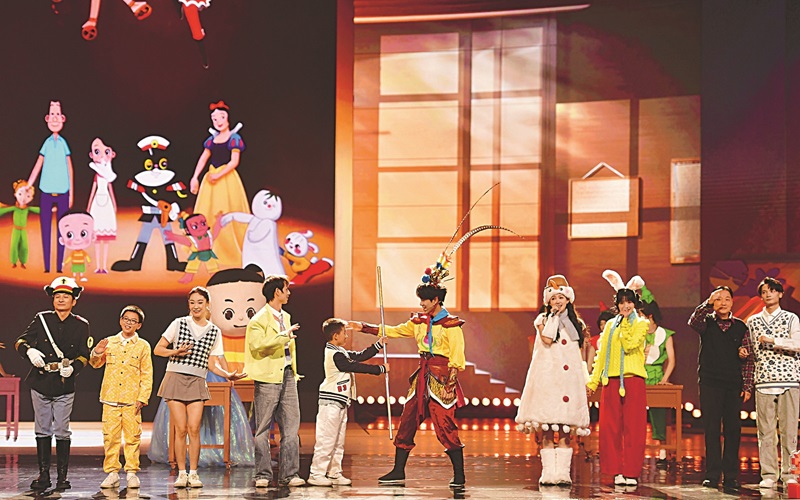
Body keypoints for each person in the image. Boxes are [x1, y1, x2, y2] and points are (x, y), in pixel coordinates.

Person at [349, 281, 467, 488]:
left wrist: (451, 381)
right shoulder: (418, 322)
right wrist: (364, 327)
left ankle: (459, 475)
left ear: (436, 300)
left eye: (424, 300)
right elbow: (394, 331)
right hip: (422, 376)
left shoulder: (451, 325)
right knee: (407, 421)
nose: (421, 304)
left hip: (442, 378)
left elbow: (457, 355)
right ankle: (398, 471)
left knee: (445, 425)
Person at [153, 287, 245, 488]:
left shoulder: (214, 331)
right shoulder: (179, 323)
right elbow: (158, 349)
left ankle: (193, 473)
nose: (196, 306)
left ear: (207, 304)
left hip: (197, 381)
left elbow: (212, 364)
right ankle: (181, 473)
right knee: (180, 429)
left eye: (200, 302)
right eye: (192, 302)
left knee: (194, 429)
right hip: (175, 378)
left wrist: (227, 374)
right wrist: (175, 351)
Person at [14, 277, 91, 491]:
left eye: (66, 296)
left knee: (62, 430)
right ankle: (44, 474)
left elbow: (84, 354)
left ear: (74, 300)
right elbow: (21, 341)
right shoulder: (42, 319)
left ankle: (62, 477)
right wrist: (29, 351)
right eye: (57, 296)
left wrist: (74, 368)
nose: (61, 299)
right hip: (41, 380)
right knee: (42, 430)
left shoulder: (81, 325)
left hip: (64, 382)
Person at [515, 275, 590, 486]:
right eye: (554, 298)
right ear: (548, 301)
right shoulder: (542, 320)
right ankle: (548, 473)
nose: (558, 301)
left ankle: (563, 473)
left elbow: (580, 354)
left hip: (568, 383)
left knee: (565, 431)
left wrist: (584, 379)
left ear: (568, 299)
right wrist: (554, 317)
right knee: (547, 429)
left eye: (561, 298)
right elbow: (547, 339)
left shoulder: (576, 324)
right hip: (548, 380)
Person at [308, 318, 389, 487]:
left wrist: (378, 345)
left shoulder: (340, 351)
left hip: (340, 402)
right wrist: (379, 369)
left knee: (338, 441)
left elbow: (360, 356)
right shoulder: (334, 354)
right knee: (327, 440)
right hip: (330, 403)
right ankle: (316, 473)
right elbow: (355, 366)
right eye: (344, 333)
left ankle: (334, 473)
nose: (346, 336)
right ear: (335, 336)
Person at [586, 270, 648, 488]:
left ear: (635, 303)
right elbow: (601, 355)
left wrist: (626, 323)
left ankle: (631, 471)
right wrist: (593, 381)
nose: (625, 306)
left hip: (633, 381)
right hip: (611, 381)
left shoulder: (641, 324)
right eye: (622, 302)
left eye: (629, 302)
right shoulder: (610, 325)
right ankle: (615, 471)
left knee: (634, 428)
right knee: (609, 429)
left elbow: (630, 345)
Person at [688, 285, 753, 492]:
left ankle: (731, 476)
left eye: (726, 299)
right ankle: (712, 475)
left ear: (732, 302)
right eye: (718, 299)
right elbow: (693, 321)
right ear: (712, 303)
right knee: (711, 429)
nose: (722, 303)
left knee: (733, 430)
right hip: (710, 383)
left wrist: (747, 386)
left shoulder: (741, 327)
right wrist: (707, 303)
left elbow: (749, 358)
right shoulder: (706, 323)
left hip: (733, 385)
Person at [245, 274, 304, 488]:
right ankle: (263, 474)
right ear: (277, 292)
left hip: (287, 374)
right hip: (268, 377)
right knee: (263, 428)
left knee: (291, 428)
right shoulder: (258, 319)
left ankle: (290, 474)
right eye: (286, 289)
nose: (289, 293)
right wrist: (284, 335)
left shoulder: (285, 316)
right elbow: (257, 345)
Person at [89, 305, 152, 490]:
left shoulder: (143, 346)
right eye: (126, 319)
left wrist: (143, 397)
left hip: (132, 400)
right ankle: (112, 473)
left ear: (139, 325)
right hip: (110, 398)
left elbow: (147, 374)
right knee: (110, 438)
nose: (128, 323)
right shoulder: (109, 342)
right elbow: (95, 364)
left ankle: (132, 472)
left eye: (133, 321)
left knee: (133, 437)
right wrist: (97, 352)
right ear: (120, 320)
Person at [747, 277, 800, 489]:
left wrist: (773, 341)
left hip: (789, 379)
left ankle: (789, 473)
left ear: (780, 294)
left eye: (772, 290)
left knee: (789, 431)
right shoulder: (753, 321)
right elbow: (750, 349)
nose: (768, 294)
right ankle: (769, 474)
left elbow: (798, 344)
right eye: (764, 291)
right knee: (765, 432)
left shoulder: (791, 318)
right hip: (763, 380)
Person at [189, 101, 249, 267]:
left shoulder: (234, 138)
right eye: (214, 119)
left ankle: (228, 249)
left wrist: (219, 175)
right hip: (211, 179)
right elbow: (203, 158)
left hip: (226, 180)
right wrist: (195, 177)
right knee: (206, 210)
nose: (218, 121)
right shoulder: (211, 140)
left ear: (228, 118)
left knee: (225, 211)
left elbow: (234, 161)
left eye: (221, 117)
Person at [27, 101, 74, 273]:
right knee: (45, 229)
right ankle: (47, 266)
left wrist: (71, 193)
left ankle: (59, 266)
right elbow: (38, 164)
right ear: (47, 118)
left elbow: (70, 168)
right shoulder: (46, 144)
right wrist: (28, 185)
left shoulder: (63, 143)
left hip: (63, 192)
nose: (55, 118)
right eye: (52, 115)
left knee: (62, 230)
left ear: (63, 118)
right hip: (46, 192)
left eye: (57, 115)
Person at [638, 286, 675, 466]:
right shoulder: (637, 333)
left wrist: (664, 379)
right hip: (638, 375)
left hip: (657, 377)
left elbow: (672, 360)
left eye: (641, 315)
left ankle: (662, 453)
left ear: (650, 316)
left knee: (659, 416)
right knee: (635, 416)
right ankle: (635, 452)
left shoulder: (665, 335)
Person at [86, 138, 118, 274]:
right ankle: (98, 266)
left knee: (105, 239)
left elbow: (111, 190)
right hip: (97, 203)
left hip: (106, 203)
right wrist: (88, 206)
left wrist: (114, 204)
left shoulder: (108, 176)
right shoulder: (97, 175)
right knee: (97, 239)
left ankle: (104, 266)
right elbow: (93, 191)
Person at [0, 180, 40, 268]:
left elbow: (39, 210)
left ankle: (23, 262)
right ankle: (14, 262)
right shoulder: (14, 208)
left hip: (23, 229)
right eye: (20, 194)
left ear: (31, 197)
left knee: (24, 246)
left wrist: (50, 210)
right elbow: (3, 210)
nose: (23, 198)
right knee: (14, 245)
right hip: (16, 229)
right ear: (15, 194)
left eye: (28, 196)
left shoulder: (28, 208)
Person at [58, 212, 96, 282]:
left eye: (83, 234)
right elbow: (69, 258)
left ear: (93, 236)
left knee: (81, 270)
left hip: (81, 263)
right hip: (75, 264)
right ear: (62, 240)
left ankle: (81, 277)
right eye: (69, 235)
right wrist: (65, 263)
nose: (77, 239)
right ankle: (74, 277)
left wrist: (89, 262)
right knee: (74, 270)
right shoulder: (73, 253)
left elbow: (87, 257)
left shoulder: (83, 252)